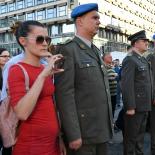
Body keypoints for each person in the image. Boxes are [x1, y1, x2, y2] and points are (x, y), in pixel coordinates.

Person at [54, 3, 113, 155]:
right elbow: (64, 95)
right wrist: (73, 134)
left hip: (101, 129)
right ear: (79, 21)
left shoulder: (94, 50)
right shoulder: (68, 49)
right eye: (94, 18)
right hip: (84, 133)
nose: (99, 22)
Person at [7, 20, 66, 155]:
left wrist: (59, 138)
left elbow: (51, 106)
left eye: (47, 39)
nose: (45, 43)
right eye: (39, 39)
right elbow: (22, 113)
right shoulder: (16, 69)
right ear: (23, 41)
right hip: (31, 146)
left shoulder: (45, 68)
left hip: (52, 144)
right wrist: (42, 76)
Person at [121, 30, 154, 155]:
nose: (147, 43)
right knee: (131, 138)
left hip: (144, 105)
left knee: (140, 135)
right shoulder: (130, 60)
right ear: (136, 43)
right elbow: (126, 85)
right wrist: (130, 106)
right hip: (135, 107)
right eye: (144, 41)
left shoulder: (142, 59)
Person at [0, 48, 11, 155]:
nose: (7, 58)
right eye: (4, 56)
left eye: (8, 56)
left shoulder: (10, 69)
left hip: (8, 108)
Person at [103, 52, 118, 118]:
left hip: (114, 94)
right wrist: (114, 77)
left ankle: (112, 125)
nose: (111, 57)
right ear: (104, 58)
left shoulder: (111, 68)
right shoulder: (103, 68)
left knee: (112, 111)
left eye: (111, 56)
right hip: (107, 95)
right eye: (109, 56)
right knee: (107, 112)